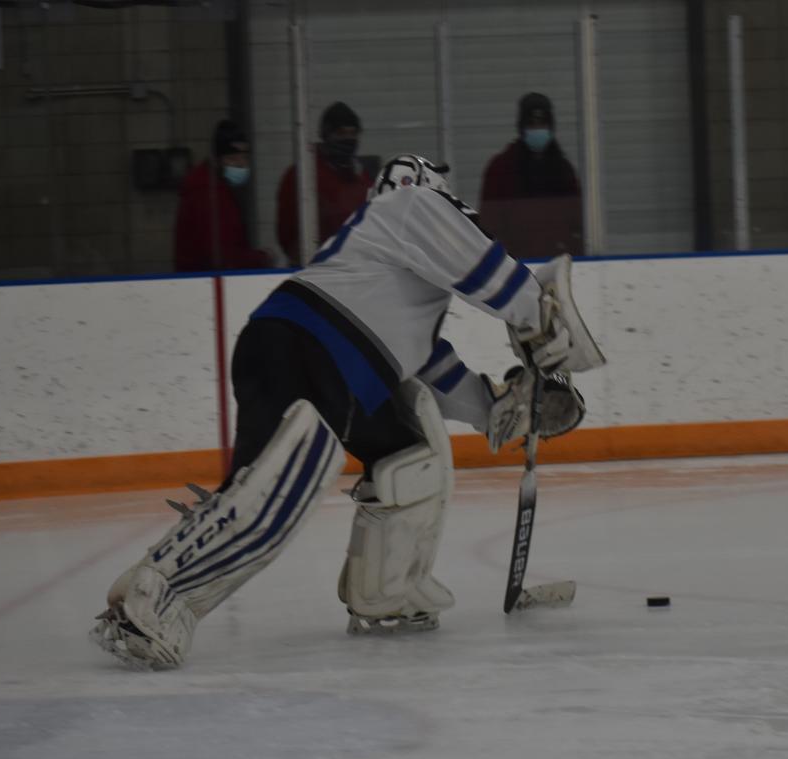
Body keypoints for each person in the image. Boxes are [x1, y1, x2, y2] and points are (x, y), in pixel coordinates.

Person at [93, 155, 605, 671]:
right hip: (306, 347)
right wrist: (540, 323)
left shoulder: (389, 274)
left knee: (412, 457)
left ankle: (387, 591)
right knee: (273, 491)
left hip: (338, 365)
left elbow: (431, 365)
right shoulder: (410, 206)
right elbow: (487, 273)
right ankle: (152, 598)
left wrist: (499, 407)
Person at [479, 92, 583, 257]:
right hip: (514, 266)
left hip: (557, 262)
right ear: (522, 127)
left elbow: (576, 225)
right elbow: (490, 226)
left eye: (543, 124)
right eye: (532, 124)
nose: (538, 129)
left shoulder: (564, 171)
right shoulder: (501, 168)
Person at [276, 101, 377, 263]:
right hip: (316, 267)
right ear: (326, 135)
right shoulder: (302, 175)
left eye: (353, 133)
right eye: (341, 133)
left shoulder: (362, 176)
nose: (348, 139)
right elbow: (287, 233)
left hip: (357, 267)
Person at [174, 120, 272, 272]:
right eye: (232, 158)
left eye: (244, 157)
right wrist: (260, 258)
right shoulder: (207, 193)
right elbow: (222, 257)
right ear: (217, 160)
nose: (240, 164)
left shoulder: (218, 189)